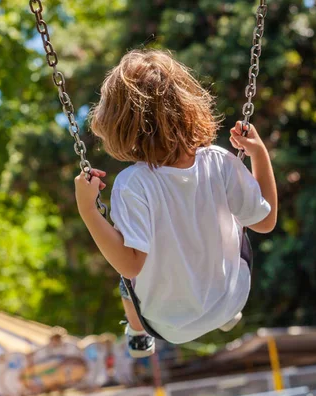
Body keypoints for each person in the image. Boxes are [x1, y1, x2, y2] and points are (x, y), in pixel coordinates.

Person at [74, 49, 278, 357]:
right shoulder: (221, 162)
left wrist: (89, 211)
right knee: (235, 220)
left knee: (124, 274)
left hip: (166, 323)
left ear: (119, 126)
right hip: (230, 298)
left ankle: (138, 332)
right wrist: (259, 155)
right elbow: (266, 221)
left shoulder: (133, 183)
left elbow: (130, 264)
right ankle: (219, 310)